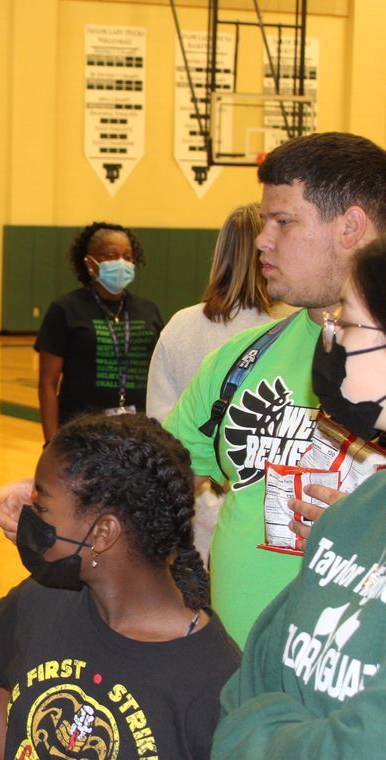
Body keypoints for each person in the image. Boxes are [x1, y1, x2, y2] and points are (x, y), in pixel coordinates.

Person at [163, 131, 386, 646]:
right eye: (265, 222)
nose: (262, 239)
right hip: (242, 682)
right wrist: (65, 492)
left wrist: (371, 525)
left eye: (284, 222)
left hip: (361, 701)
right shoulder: (240, 360)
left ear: (350, 226)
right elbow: (157, 470)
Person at [0, 413, 240, 760]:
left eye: (42, 507)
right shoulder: (42, 600)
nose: (30, 517)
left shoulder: (215, 681)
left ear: (103, 534)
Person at [211, 235, 386, 758]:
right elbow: (243, 692)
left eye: (347, 325)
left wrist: (263, 729)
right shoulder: (355, 513)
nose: (330, 342)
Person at [146, 203, 292, 565]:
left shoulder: (181, 325)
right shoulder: (295, 326)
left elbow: (162, 430)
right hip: (269, 515)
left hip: (194, 507)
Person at [147, 203, 292, 421]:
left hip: (187, 453)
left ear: (221, 252)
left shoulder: (181, 325)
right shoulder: (296, 323)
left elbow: (159, 418)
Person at [34, 222, 163, 443]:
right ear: (90, 263)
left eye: (128, 257)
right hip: (81, 433)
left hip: (138, 432)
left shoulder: (148, 310)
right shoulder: (66, 309)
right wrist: (51, 442)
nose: (121, 263)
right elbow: (47, 383)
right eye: (112, 256)